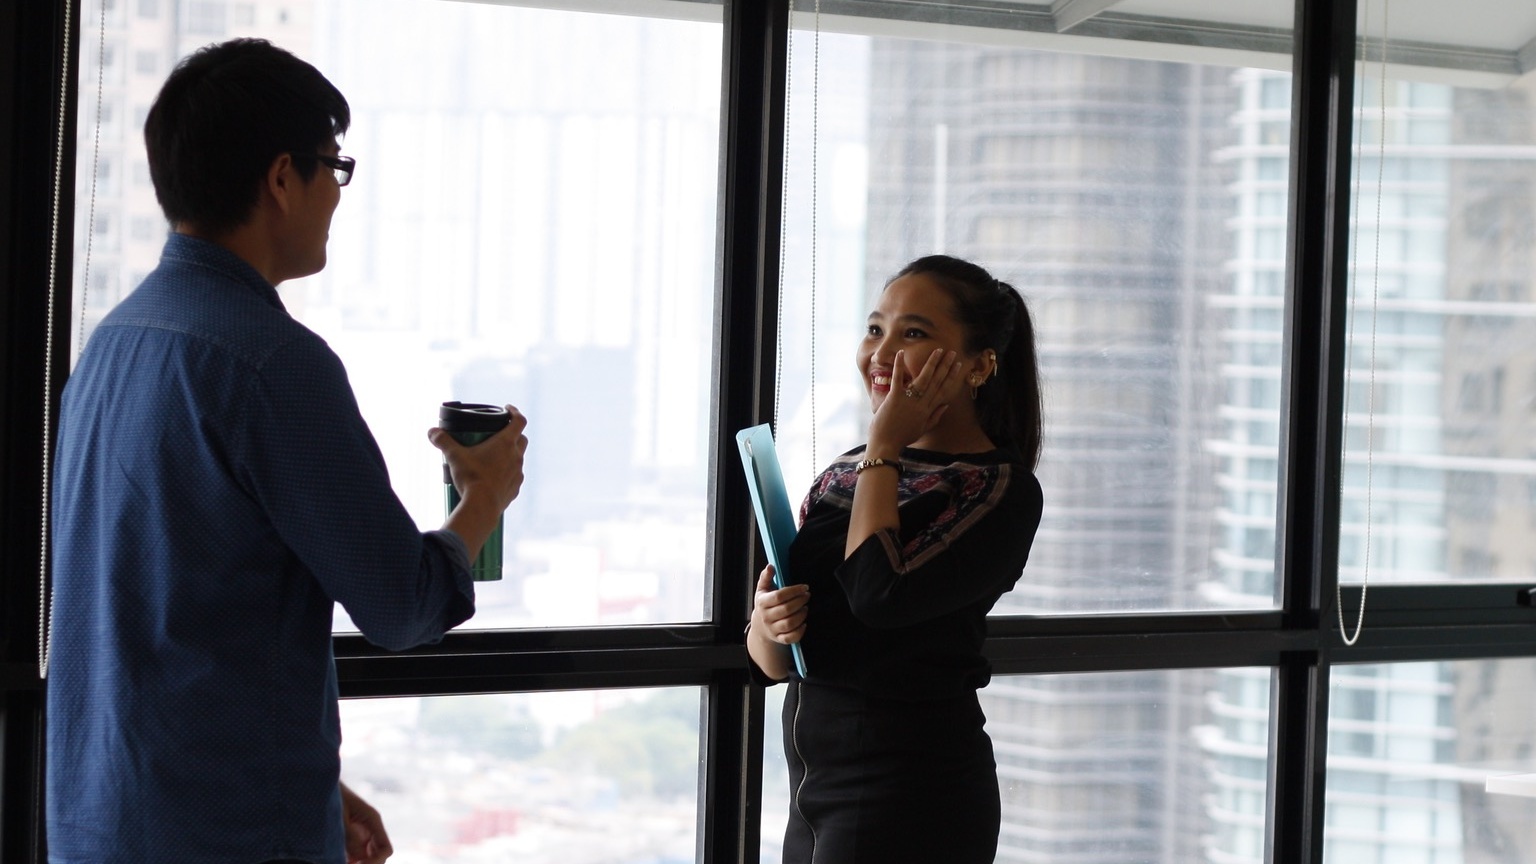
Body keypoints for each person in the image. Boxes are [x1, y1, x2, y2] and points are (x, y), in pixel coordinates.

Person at [46, 39, 528, 864]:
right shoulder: (269, 362)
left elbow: (156, 621)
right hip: (224, 837)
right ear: (280, 179)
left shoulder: (114, 344)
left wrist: (308, 780)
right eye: (332, 168)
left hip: (100, 824)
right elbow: (402, 605)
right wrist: (484, 496)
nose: (338, 196)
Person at [747, 254, 1045, 863]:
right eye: (875, 328)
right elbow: (779, 663)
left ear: (980, 364)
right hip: (812, 792)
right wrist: (767, 621)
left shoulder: (995, 488)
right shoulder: (846, 472)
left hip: (912, 793)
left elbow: (879, 596)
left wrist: (886, 442)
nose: (881, 354)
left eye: (913, 333)